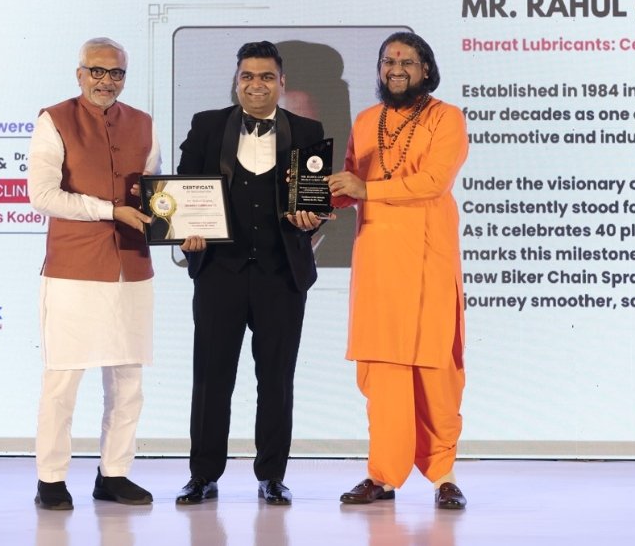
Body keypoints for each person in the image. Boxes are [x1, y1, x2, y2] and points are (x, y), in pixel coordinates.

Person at [174, 40, 325, 506]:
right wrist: (185, 232)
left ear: (281, 82)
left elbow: (313, 202)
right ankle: (203, 475)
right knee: (210, 378)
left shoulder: (307, 129)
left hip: (282, 275)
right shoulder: (207, 125)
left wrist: (312, 219)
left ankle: (272, 476)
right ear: (236, 80)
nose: (256, 85)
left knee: (277, 380)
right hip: (219, 271)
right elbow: (182, 191)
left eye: (265, 77)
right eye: (247, 76)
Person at [327, 31, 470, 510]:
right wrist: (319, 196)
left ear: (426, 69)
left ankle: (444, 476)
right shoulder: (368, 120)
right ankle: (382, 476)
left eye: (407, 61)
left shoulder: (447, 117)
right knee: (383, 375)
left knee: (435, 373)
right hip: (378, 262)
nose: (396, 69)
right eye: (389, 61)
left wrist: (365, 190)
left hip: (428, 261)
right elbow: (353, 181)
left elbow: (433, 182)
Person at [28, 37, 158, 510]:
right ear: (79, 73)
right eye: (97, 71)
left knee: (127, 381)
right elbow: (43, 196)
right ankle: (51, 479)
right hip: (74, 270)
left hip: (132, 268)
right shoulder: (54, 119)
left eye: (116, 73)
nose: (106, 81)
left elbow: (152, 192)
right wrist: (109, 210)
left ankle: (115, 474)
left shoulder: (143, 123)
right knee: (63, 380)